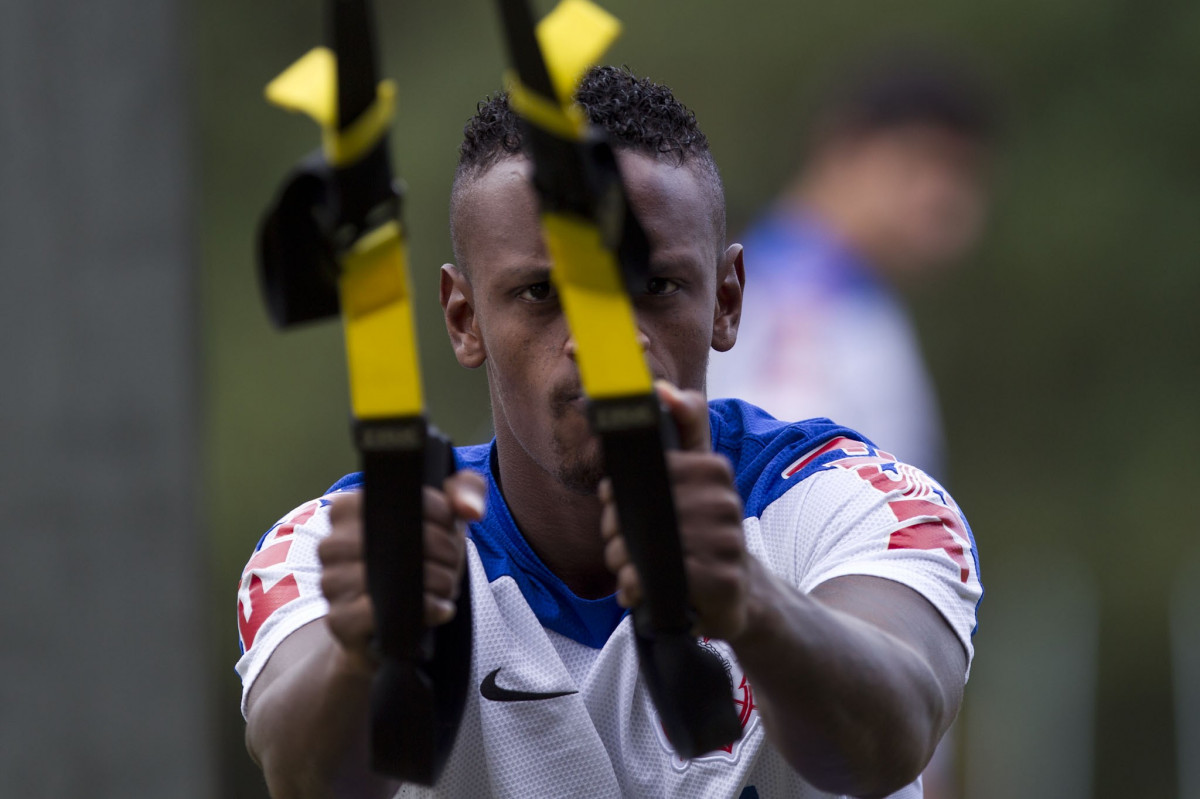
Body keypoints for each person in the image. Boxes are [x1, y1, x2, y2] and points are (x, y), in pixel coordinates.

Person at [235, 66, 982, 798]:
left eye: (656, 287)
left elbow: (889, 741)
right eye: (540, 293)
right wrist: (364, 649)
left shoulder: (854, 501)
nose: (604, 342)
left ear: (727, 300)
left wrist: (752, 604)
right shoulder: (346, 541)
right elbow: (302, 775)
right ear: (464, 319)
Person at [707, 51, 996, 478]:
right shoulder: (801, 300)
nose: (942, 197)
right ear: (840, 148)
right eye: (919, 162)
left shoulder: (837, 290)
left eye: (963, 171)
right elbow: (782, 486)